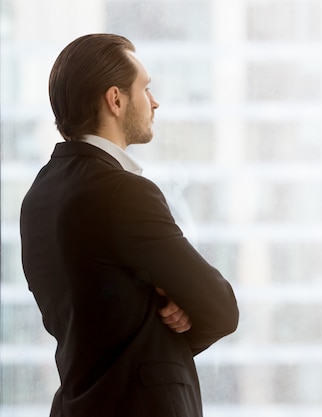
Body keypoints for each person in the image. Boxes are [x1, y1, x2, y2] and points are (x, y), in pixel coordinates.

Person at [20, 33, 239, 417]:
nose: (155, 102)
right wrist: (177, 323)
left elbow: (96, 316)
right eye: (145, 88)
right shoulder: (124, 193)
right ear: (116, 100)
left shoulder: (38, 197)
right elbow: (220, 308)